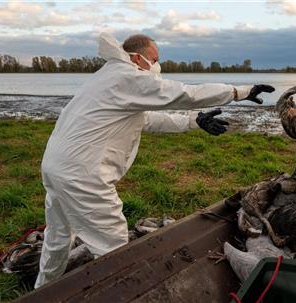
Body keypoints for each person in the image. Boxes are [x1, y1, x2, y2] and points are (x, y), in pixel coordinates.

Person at [34, 32, 275, 288]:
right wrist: (239, 91)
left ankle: (42, 289)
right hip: (82, 174)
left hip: (55, 167)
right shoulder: (126, 77)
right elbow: (185, 94)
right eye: (155, 59)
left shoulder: (110, 77)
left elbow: (146, 119)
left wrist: (195, 121)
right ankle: (122, 292)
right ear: (138, 58)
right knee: (113, 248)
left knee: (58, 235)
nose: (158, 65)